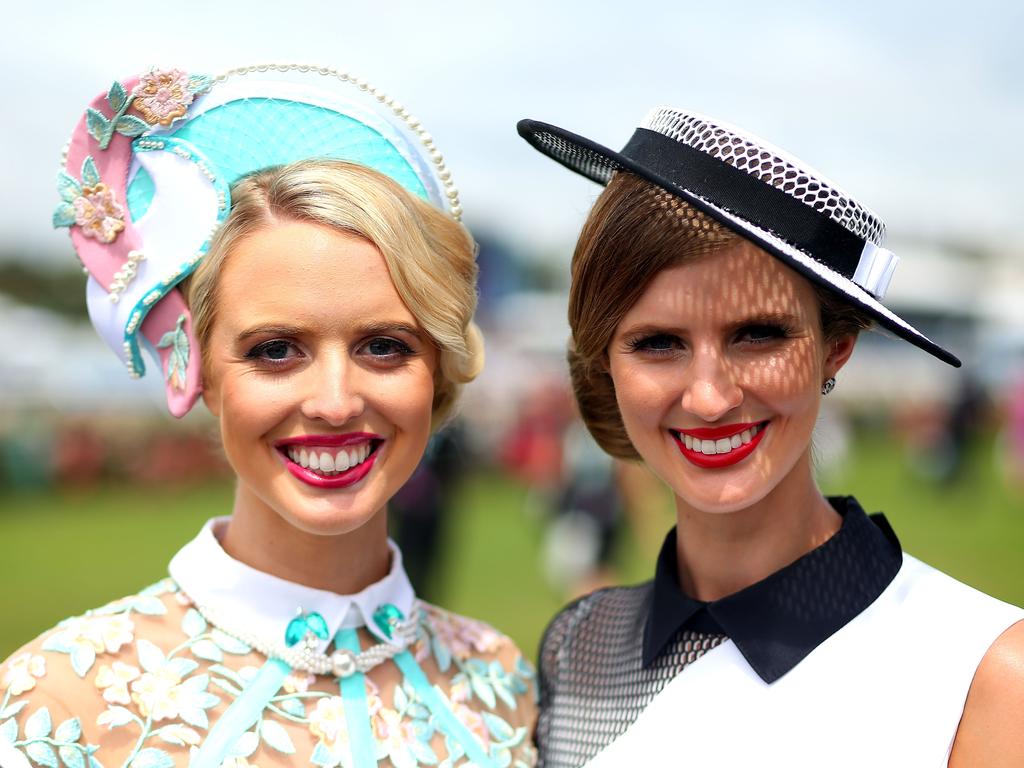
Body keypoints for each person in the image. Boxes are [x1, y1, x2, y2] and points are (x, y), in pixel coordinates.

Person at [0, 65, 537, 768]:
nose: (337, 401)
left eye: (384, 346)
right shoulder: (63, 701)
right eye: (276, 350)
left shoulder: (503, 685)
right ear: (198, 369)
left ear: (435, 372)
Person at [516, 109, 1024, 766]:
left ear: (837, 345)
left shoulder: (982, 673)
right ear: (604, 362)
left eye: (757, 334)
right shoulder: (580, 648)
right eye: (658, 343)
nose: (709, 396)